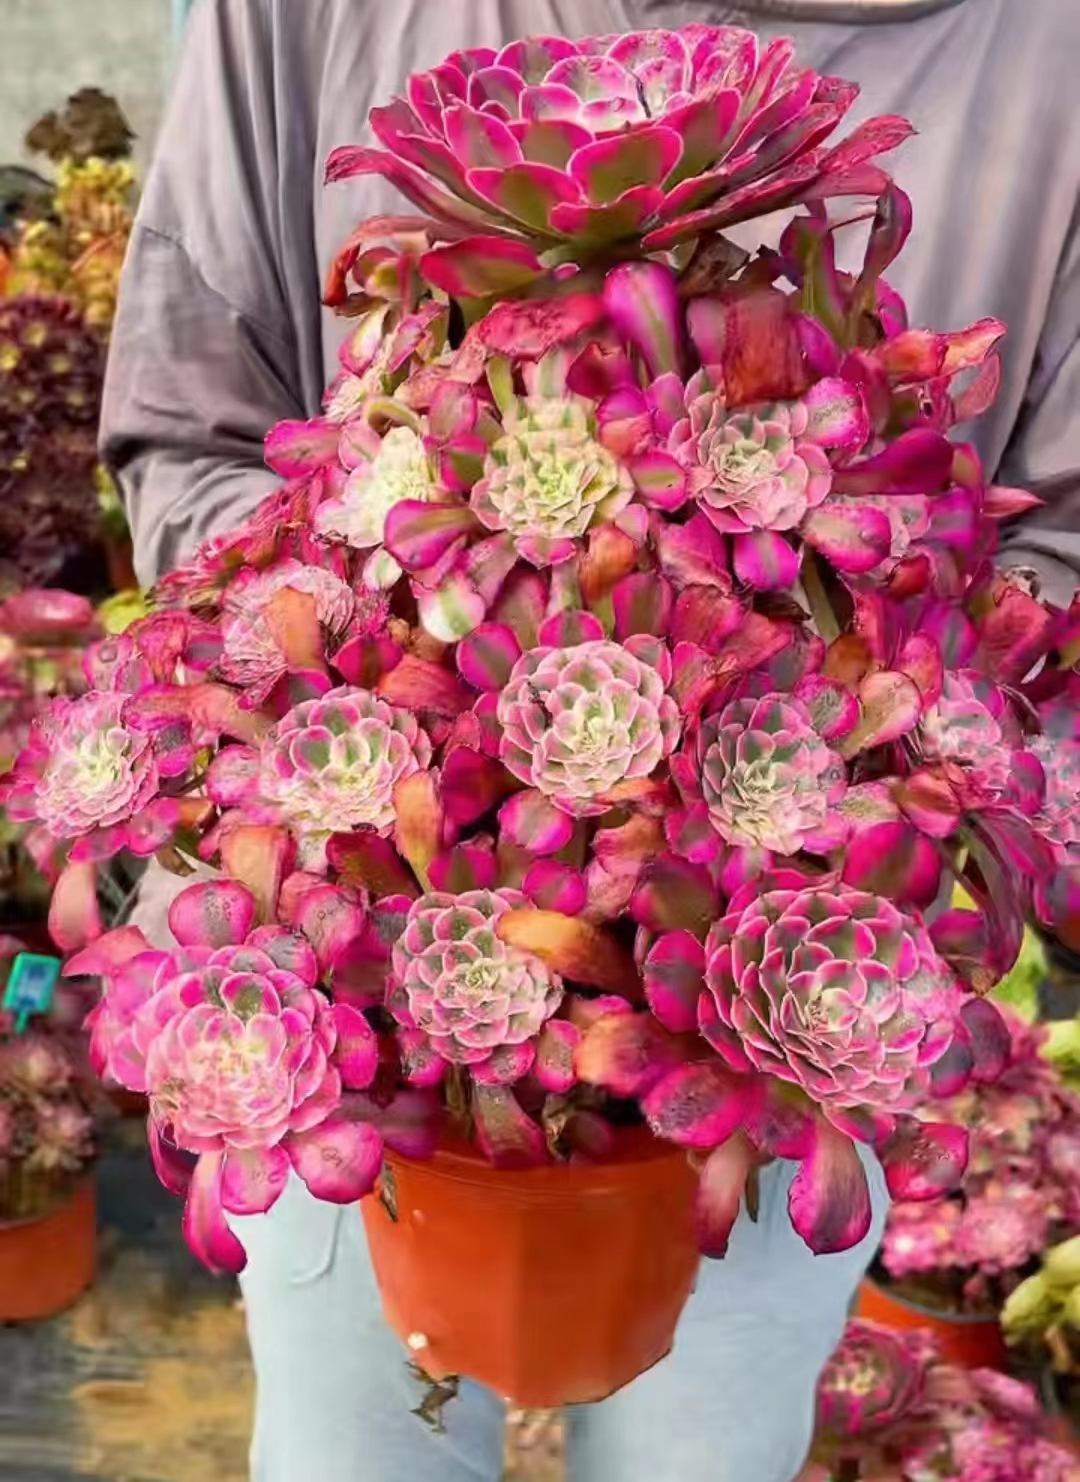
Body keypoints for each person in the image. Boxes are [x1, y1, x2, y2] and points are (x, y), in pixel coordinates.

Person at [101, 3, 1080, 1479]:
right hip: (341, 1026)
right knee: (353, 1443)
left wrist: (877, 697)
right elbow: (193, 425)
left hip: (800, 1026)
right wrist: (362, 650)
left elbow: (1048, 560)